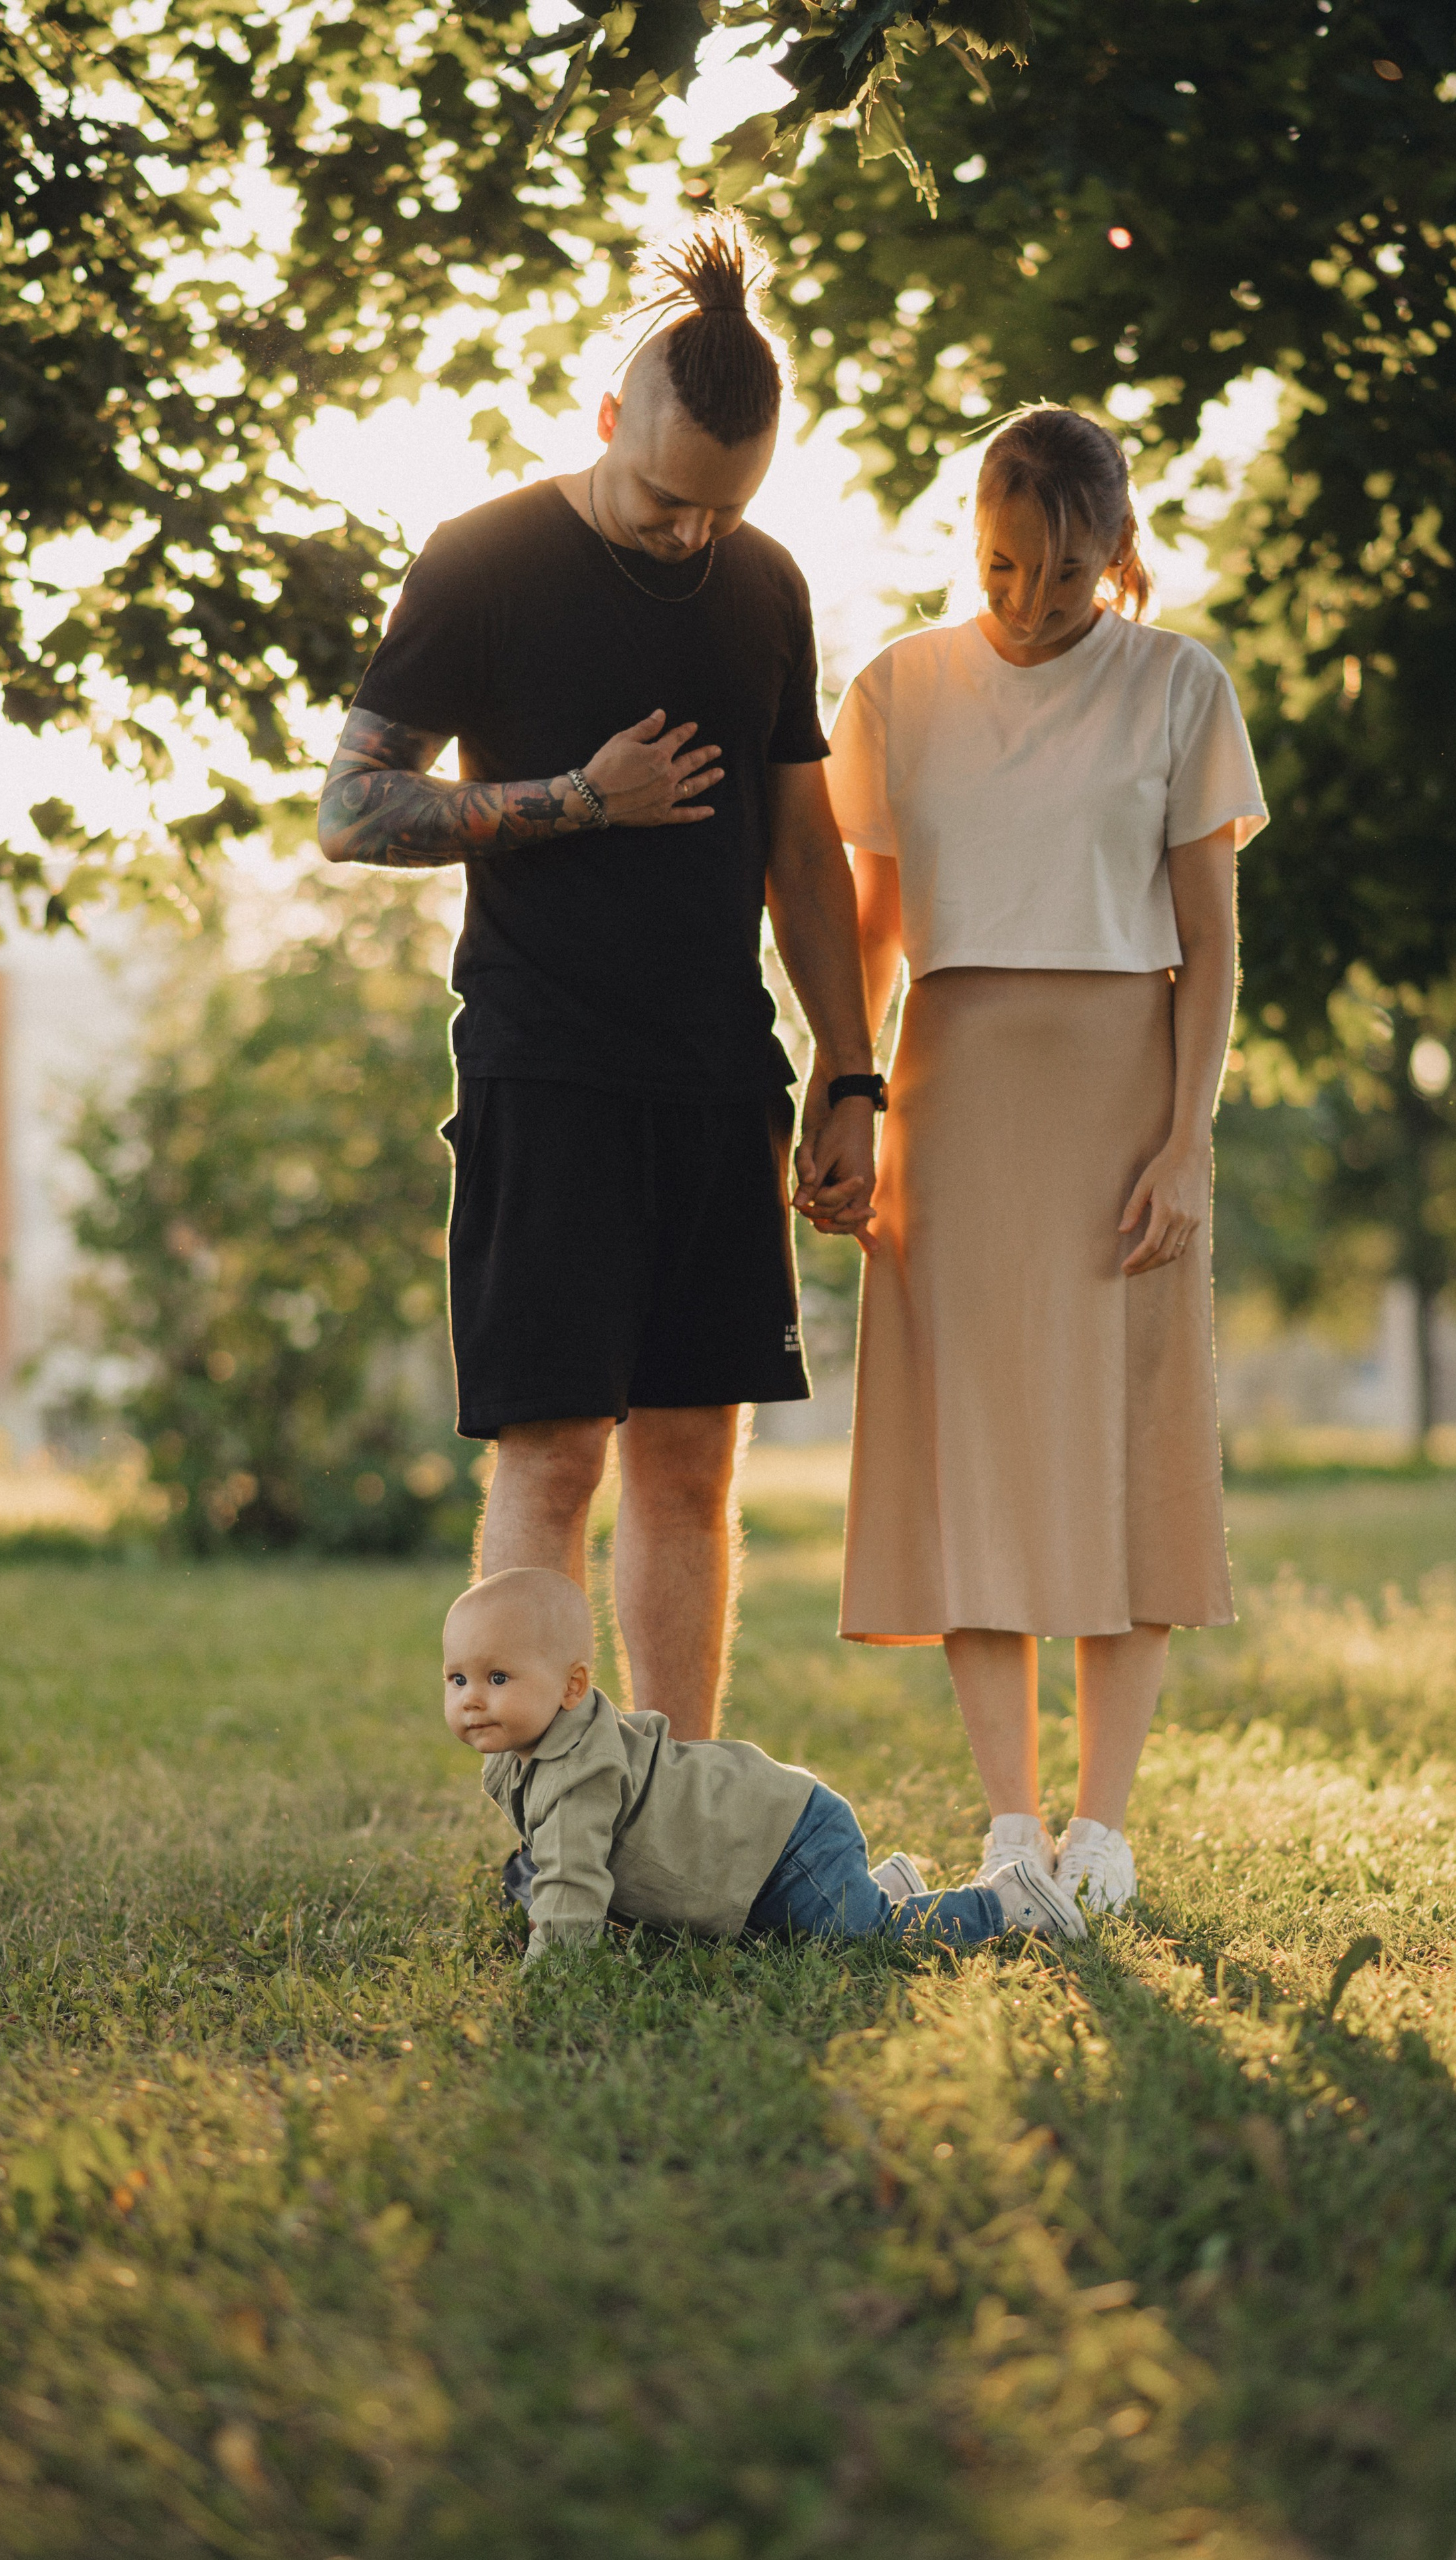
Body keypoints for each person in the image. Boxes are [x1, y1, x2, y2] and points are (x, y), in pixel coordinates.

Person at [318, 221, 879, 1742]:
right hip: (543, 1066)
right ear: (603, 420)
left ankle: (675, 1801)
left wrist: (848, 1069)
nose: (691, 533)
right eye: (664, 496)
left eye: (722, 508)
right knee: (555, 1457)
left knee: (692, 1462)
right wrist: (577, 797)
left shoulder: (764, 584)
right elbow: (352, 811)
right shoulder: (481, 562)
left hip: (718, 1078)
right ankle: (543, 1817)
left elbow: (801, 853)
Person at [817, 404, 1267, 1916]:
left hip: (1119, 1096)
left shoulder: (1173, 687)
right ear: (973, 540)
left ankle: (1104, 1825)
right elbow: (869, 931)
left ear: (1115, 557)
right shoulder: (895, 691)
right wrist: (846, 1095)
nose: (1027, 602)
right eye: (1003, 568)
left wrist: (1183, 1142)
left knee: (1121, 1453)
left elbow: (1207, 948)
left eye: (1063, 577)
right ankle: (1009, 1825)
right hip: (950, 1094)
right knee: (975, 1459)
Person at [444, 1567, 1084, 1961]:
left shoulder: (581, 1771)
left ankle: (1007, 1905)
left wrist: (556, 1973)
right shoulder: (526, 1755)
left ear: (572, 1688)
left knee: (856, 1940)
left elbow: (575, 1882)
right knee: (793, 1931)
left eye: (497, 1677)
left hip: (786, 1838)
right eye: (457, 1679)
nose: (472, 1698)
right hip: (752, 1855)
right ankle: (884, 1886)